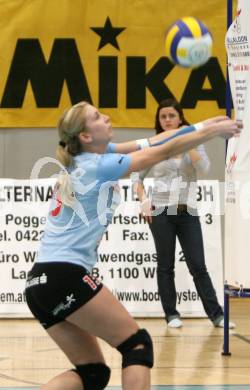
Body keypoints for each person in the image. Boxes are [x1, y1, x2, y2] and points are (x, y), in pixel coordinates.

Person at [25, 101, 240, 390]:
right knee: (137, 345)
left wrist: (204, 125)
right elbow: (161, 152)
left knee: (93, 373)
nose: (107, 118)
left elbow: (155, 140)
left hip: (39, 282)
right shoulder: (98, 165)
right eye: (98, 117)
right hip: (66, 275)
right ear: (86, 136)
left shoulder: (88, 158)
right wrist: (212, 133)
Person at [135, 98, 236, 329]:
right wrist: (143, 199)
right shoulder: (154, 146)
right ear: (159, 121)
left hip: (187, 211)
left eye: (172, 116)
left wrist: (186, 142)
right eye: (163, 117)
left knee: (198, 265)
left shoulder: (195, 142)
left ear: (180, 118)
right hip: (161, 211)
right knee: (165, 264)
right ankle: (171, 314)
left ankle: (217, 315)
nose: (168, 120)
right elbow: (136, 177)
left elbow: (205, 169)